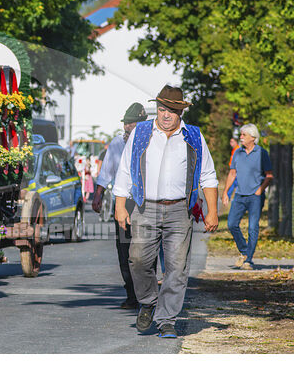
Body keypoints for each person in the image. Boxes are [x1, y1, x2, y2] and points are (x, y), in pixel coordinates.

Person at [113, 85, 219, 338]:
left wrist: (212, 211)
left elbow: (208, 175)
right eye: (162, 109)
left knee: (177, 267)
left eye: (171, 110)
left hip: (180, 210)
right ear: (157, 109)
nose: (165, 115)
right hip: (144, 207)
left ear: (181, 112)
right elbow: (125, 170)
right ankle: (149, 301)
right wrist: (119, 205)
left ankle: (167, 319)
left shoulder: (192, 136)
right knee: (137, 260)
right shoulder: (141, 133)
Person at [92, 102, 148, 309]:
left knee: (144, 250)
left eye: (131, 124)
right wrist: (98, 195)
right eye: (125, 123)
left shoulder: (151, 142)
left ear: (142, 125)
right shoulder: (116, 144)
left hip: (145, 205)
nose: (127, 127)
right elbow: (106, 172)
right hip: (123, 204)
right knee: (124, 250)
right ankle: (132, 294)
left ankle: (148, 294)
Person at [221, 124, 273, 270]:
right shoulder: (237, 153)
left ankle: (248, 260)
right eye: (241, 135)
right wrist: (226, 192)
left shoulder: (262, 153)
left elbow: (269, 175)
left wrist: (260, 190)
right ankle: (244, 251)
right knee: (231, 224)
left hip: (255, 197)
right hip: (239, 195)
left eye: (244, 135)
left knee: (252, 227)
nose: (241, 137)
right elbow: (232, 174)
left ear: (253, 137)